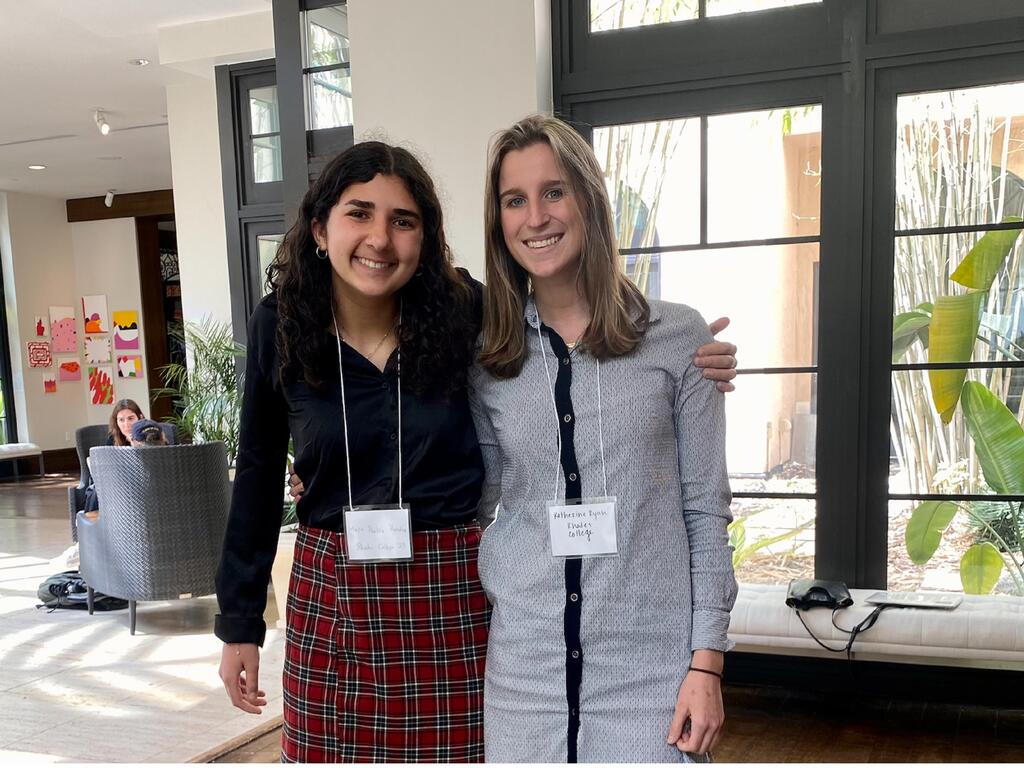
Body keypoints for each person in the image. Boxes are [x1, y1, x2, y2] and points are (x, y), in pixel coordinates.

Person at [217, 140, 739, 763]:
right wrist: (240, 622)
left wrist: (688, 356)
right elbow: (255, 470)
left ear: (427, 237)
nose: (380, 239)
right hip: (335, 594)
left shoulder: (466, 313)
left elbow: (571, 335)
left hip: (448, 590)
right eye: (359, 213)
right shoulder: (281, 323)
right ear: (320, 229)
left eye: (403, 221)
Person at [469, 115, 738, 762]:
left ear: (589, 198)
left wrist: (708, 665)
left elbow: (706, 512)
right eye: (515, 200)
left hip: (651, 672)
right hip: (522, 674)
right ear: (499, 221)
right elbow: (473, 496)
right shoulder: (487, 357)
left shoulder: (678, 339)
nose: (536, 216)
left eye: (554, 191)